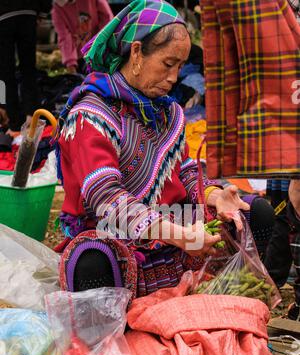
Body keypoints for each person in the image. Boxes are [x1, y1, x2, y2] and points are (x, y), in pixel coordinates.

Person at [55, 0, 275, 299]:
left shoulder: (169, 113)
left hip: (173, 226)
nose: (173, 78)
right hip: (116, 235)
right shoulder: (91, 115)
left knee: (253, 212)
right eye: (167, 64)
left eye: (180, 67)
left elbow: (183, 172)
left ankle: (235, 300)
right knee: (92, 261)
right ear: (136, 53)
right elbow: (106, 200)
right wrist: (181, 236)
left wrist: (215, 195)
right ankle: (115, 331)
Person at [0, 1, 52, 135]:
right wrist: (43, 12)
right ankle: (31, 116)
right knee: (28, 69)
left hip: (3, 16)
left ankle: (13, 123)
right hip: (28, 11)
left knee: (5, 72)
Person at [52, 0, 113, 74]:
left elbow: (107, 20)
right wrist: (70, 63)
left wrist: (101, 46)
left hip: (102, 50)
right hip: (81, 57)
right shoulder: (57, 10)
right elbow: (65, 38)